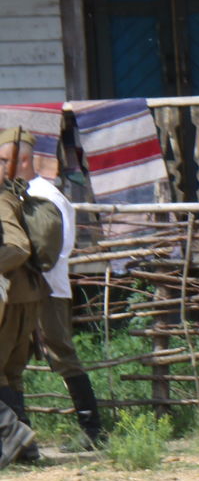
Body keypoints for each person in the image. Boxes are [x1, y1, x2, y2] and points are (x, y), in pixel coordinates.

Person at [28, 133, 105, 449]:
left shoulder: (43, 195)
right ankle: (18, 436)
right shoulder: (21, 193)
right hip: (21, 287)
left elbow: (50, 248)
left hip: (45, 286)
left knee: (60, 351)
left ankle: (91, 429)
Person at [0, 128, 47, 468]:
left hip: (12, 295)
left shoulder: (3, 200)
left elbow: (17, 247)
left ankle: (12, 434)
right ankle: (25, 448)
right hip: (25, 293)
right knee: (11, 371)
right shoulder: (14, 196)